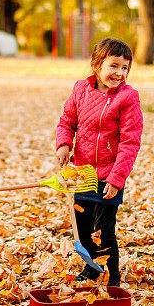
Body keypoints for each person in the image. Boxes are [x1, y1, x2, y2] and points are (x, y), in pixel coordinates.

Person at [55, 38, 143, 287]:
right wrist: (64, 144)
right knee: (82, 232)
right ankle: (93, 267)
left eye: (125, 67)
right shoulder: (81, 90)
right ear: (97, 65)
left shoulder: (128, 98)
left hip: (108, 176)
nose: (119, 73)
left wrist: (116, 179)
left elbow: (130, 142)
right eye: (114, 66)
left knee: (104, 232)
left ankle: (113, 280)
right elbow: (67, 122)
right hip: (83, 173)